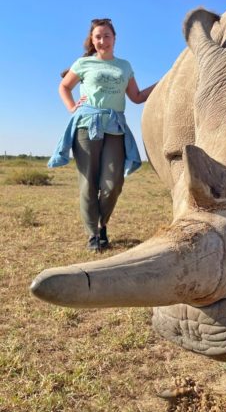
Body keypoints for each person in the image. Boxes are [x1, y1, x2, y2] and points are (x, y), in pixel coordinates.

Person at [51, 18, 156, 252]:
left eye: (106, 36)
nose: (102, 41)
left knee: (112, 183)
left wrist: (163, 83)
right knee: (88, 183)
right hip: (87, 125)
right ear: (92, 40)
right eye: (97, 36)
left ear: (114, 38)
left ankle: (103, 223)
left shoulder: (124, 66)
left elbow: (137, 97)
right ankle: (93, 234)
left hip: (115, 127)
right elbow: (64, 87)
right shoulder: (83, 63)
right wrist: (71, 107)